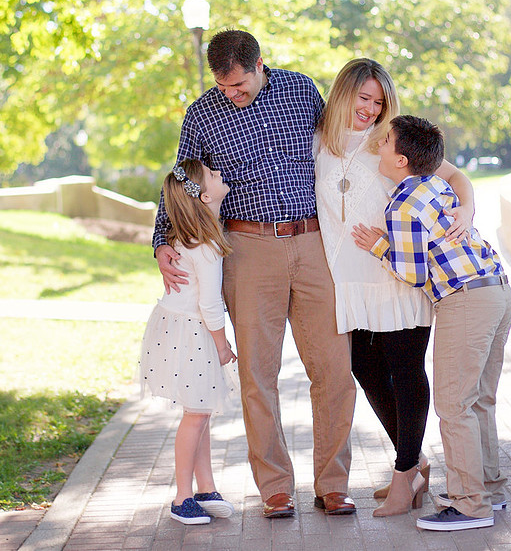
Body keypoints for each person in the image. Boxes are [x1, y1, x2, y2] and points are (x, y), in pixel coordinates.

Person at [152, 29, 357, 518]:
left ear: (260, 64)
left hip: (312, 243)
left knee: (333, 369)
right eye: (224, 87)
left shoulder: (302, 89)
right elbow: (181, 178)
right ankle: (275, 489)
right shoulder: (202, 112)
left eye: (240, 85)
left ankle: (333, 484)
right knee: (256, 374)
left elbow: (342, 150)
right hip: (244, 248)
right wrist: (162, 239)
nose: (232, 95)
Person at [313, 58, 477, 517]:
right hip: (349, 281)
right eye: (363, 98)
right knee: (366, 371)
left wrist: (466, 209)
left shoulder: (389, 143)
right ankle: (417, 462)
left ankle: (404, 476)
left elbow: (455, 177)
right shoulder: (316, 144)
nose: (369, 109)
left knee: (406, 375)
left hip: (397, 276)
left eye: (378, 101)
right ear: (343, 92)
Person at [352, 115, 511, 532]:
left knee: (454, 406)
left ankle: (468, 504)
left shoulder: (402, 206)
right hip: (497, 288)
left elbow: (410, 272)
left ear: (402, 159)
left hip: (466, 300)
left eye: (386, 140)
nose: (379, 144)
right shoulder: (436, 185)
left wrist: (378, 246)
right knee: (479, 400)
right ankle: (489, 490)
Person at [139, 159, 238, 525]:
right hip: (195, 331)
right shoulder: (207, 244)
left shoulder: (193, 235)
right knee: (196, 415)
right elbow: (209, 303)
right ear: (205, 194)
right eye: (212, 175)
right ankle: (182, 497)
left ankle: (206, 487)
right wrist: (223, 344)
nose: (219, 174)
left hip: (178, 327)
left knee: (200, 410)